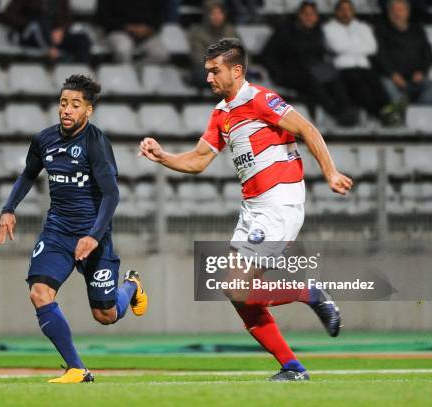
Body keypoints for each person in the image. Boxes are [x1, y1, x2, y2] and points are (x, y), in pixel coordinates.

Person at [139, 38, 348, 381]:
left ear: (236, 71)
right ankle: (292, 368)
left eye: (214, 71)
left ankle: (308, 293)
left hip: (278, 202)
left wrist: (330, 172)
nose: (208, 78)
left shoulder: (262, 100)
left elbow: (307, 129)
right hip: (253, 208)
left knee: (235, 287)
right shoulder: (221, 114)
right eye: (207, 71)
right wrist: (163, 156)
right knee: (240, 297)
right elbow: (198, 160)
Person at [0, 74, 148, 384]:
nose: (66, 110)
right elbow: (28, 175)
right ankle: (77, 368)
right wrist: (9, 209)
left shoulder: (96, 144)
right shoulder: (44, 140)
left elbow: (112, 194)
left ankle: (131, 286)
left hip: (94, 236)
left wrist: (93, 236)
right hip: (57, 232)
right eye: (63, 103)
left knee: (105, 315)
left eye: (75, 105)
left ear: (88, 111)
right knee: (39, 292)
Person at [263, 1, 359, 126]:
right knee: (312, 81)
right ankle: (336, 113)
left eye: (312, 14)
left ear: (317, 17)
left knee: (334, 75)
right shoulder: (284, 32)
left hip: (313, 69)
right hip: (289, 73)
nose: (309, 17)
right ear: (299, 15)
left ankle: (345, 109)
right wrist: (277, 72)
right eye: (306, 14)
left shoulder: (317, 32)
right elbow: (268, 55)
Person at [323, 0, 404, 126]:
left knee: (377, 84)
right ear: (337, 12)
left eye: (348, 9)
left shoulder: (363, 26)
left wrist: (349, 47)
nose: (345, 13)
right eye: (342, 9)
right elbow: (336, 46)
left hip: (364, 66)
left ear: (353, 11)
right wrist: (359, 47)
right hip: (344, 68)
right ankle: (378, 114)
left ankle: (388, 111)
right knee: (360, 85)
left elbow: (372, 47)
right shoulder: (328, 28)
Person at [375, 0, 432, 105]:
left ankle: (418, 114)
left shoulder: (417, 29)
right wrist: (392, 74)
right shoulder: (381, 29)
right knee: (385, 84)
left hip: (414, 78)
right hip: (392, 77)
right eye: (393, 11)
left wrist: (422, 71)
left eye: (400, 10)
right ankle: (401, 112)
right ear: (389, 13)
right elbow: (379, 54)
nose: (397, 14)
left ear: (407, 12)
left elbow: (427, 53)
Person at [1, 0, 91, 63]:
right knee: (39, 23)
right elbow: (8, 15)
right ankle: (54, 54)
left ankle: (81, 71)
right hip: (31, 35)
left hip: (55, 35)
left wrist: (61, 30)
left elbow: (68, 18)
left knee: (82, 39)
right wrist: (26, 23)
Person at [96, 0, 169, 64]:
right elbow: (103, 18)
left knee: (161, 54)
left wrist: (148, 29)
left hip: (145, 34)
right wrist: (128, 28)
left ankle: (136, 72)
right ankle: (126, 74)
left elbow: (158, 18)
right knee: (123, 49)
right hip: (118, 31)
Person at [189, 0, 238, 89]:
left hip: (229, 69)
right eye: (213, 14)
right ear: (207, 16)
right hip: (208, 71)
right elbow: (198, 58)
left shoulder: (231, 32)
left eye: (220, 13)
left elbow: (241, 53)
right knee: (200, 74)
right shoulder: (198, 33)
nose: (216, 17)